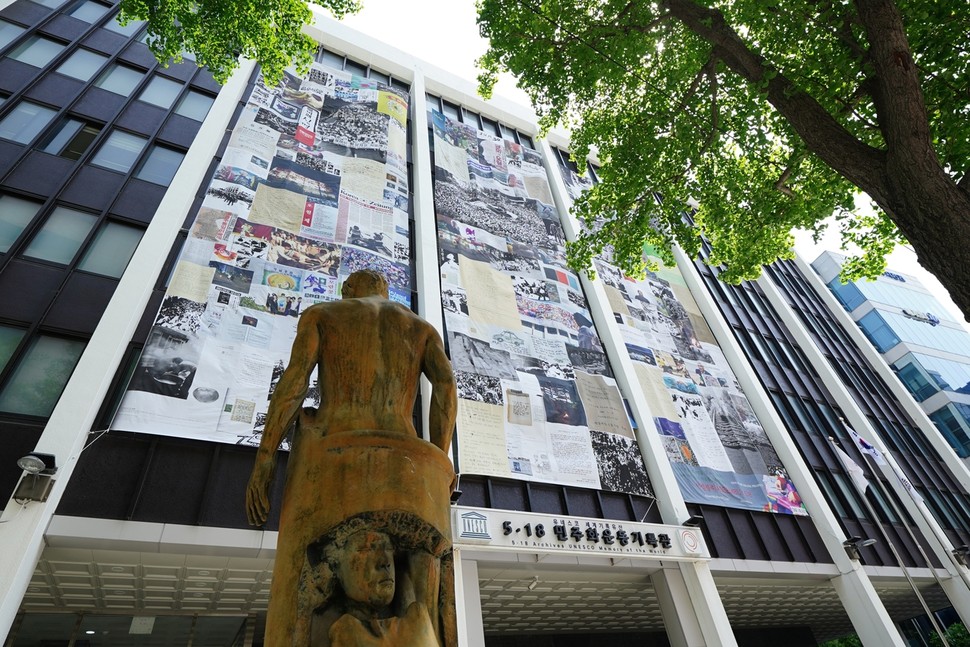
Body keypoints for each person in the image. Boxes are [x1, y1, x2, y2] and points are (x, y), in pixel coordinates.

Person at [246, 269, 457, 646]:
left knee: (300, 576)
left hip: (338, 453)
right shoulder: (421, 328)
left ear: (348, 291)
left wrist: (265, 458)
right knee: (426, 582)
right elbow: (445, 386)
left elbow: (294, 384)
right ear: (386, 292)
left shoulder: (324, 314)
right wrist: (440, 456)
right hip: (412, 465)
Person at [308, 529, 438, 647]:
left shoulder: (415, 622)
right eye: (366, 549)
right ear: (335, 566)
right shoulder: (326, 627)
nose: (384, 562)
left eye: (388, 548)